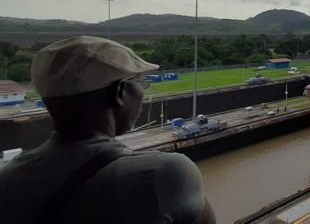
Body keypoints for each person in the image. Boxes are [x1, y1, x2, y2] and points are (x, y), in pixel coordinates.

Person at [0, 36, 215, 223]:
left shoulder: (8, 180)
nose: (142, 91)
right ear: (120, 92)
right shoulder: (164, 173)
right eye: (140, 82)